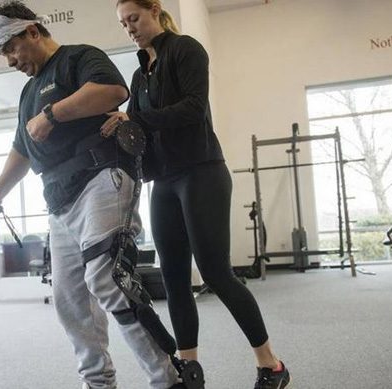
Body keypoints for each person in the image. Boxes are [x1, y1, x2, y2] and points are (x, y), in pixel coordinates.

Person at [0, 2, 183, 388]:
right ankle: (97, 382)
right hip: (59, 203)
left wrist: (52, 114)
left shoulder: (78, 58)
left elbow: (112, 90)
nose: (9, 61)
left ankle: (168, 379)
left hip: (101, 179)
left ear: (32, 33)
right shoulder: (28, 93)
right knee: (70, 300)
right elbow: (22, 150)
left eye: (10, 48)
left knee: (107, 277)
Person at [101, 1, 291, 388]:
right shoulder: (140, 77)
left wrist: (134, 118)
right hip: (165, 183)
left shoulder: (186, 49)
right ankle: (189, 369)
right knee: (173, 279)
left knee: (216, 273)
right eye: (123, 25)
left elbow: (192, 108)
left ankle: (271, 364)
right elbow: (141, 134)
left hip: (202, 173)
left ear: (154, 10)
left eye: (134, 19)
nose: (130, 29)